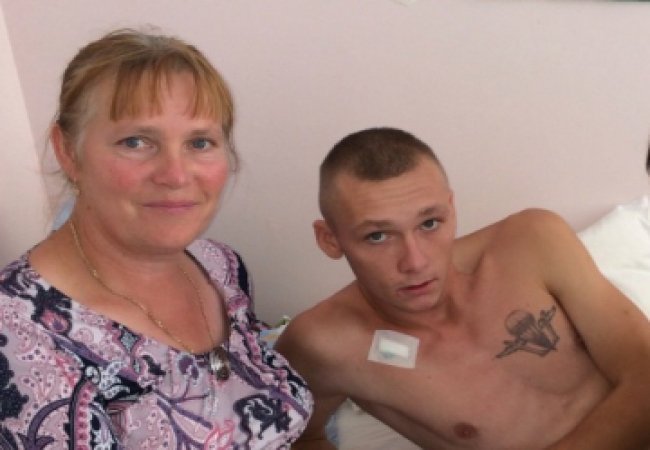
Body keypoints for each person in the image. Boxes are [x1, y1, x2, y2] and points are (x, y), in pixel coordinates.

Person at [0, 28, 312, 449]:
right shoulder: (18, 340)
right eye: (136, 142)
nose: (176, 175)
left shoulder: (220, 267)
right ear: (69, 151)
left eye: (200, 142)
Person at [276, 127, 650, 450]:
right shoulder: (324, 345)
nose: (415, 262)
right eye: (377, 236)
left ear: (451, 209)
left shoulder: (532, 241)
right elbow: (296, 439)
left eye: (429, 223)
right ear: (330, 239)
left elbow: (644, 370)